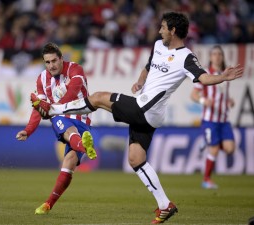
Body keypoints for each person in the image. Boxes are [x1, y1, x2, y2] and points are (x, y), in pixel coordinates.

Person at [31, 12, 243, 224]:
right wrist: (140, 82)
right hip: (148, 112)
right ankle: (164, 205)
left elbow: (203, 77)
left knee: (97, 98)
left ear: (173, 30)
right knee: (135, 159)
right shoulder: (159, 45)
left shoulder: (186, 57)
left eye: (163, 27)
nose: (159, 30)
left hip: (146, 110)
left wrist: (222, 77)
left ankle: (56, 110)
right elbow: (148, 67)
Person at [16, 42, 97, 215]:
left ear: (61, 59)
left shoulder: (75, 69)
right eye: (47, 62)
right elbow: (39, 109)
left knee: (69, 163)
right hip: (62, 118)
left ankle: (83, 145)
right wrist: (28, 130)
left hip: (82, 119)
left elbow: (73, 91)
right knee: (63, 125)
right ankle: (48, 205)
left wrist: (54, 107)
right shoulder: (42, 79)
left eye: (54, 61)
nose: (51, 65)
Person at [190, 45, 235, 189]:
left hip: (224, 120)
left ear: (222, 57)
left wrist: (229, 100)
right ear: (210, 57)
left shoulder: (225, 74)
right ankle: (206, 179)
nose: (217, 56)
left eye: (219, 54)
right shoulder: (205, 74)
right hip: (210, 120)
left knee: (230, 149)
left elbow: (222, 95)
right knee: (214, 150)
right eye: (214, 54)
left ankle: (207, 141)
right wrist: (203, 101)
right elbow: (194, 95)